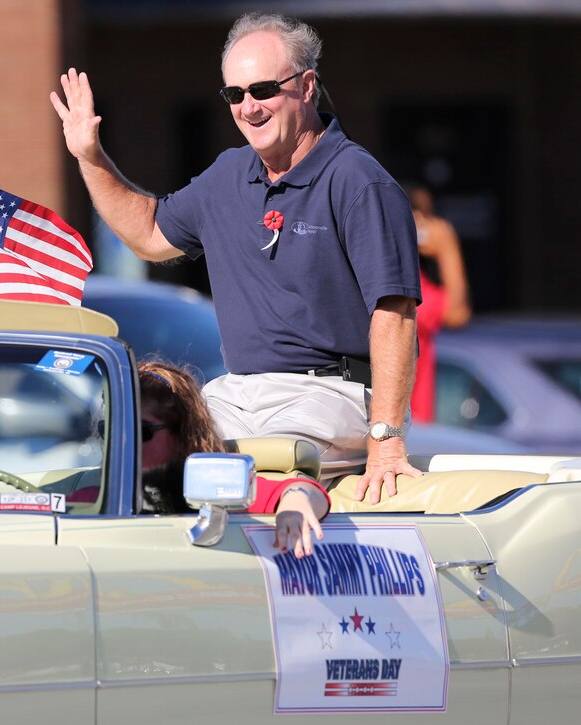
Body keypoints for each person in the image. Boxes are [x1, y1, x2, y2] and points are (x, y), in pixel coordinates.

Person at [51, 12, 422, 503]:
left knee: (237, 474)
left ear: (307, 87)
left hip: (330, 396)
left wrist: (386, 442)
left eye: (265, 89)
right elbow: (147, 234)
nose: (250, 107)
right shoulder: (229, 174)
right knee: (135, 453)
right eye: (235, 94)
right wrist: (90, 156)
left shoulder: (357, 180)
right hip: (237, 392)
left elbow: (394, 314)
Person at [138, 360, 329, 558]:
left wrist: (295, 500)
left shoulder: (210, 482)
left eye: (142, 431)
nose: (124, 440)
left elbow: (306, 491)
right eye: (107, 428)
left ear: (181, 436)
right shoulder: (106, 487)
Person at [404, 183, 472, 422]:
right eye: (425, 214)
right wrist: (448, 248)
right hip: (401, 423)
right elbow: (457, 313)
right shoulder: (398, 277)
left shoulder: (411, 276)